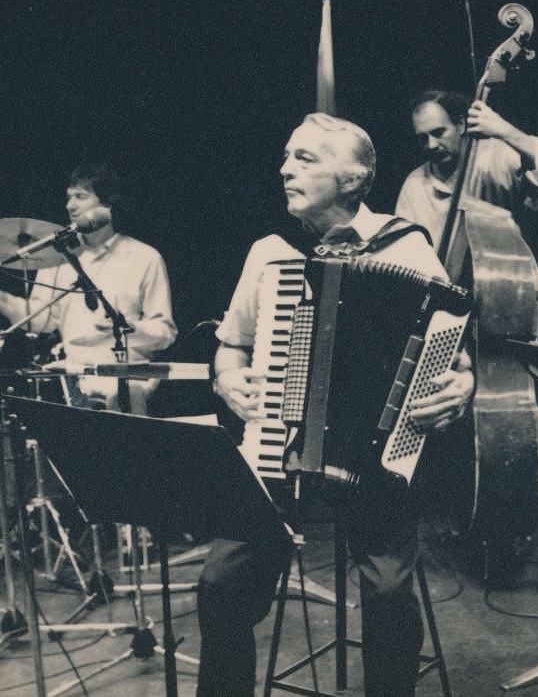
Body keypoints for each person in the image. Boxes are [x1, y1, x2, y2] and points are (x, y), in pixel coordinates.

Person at [198, 112, 474, 697]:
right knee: (220, 583)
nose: (284, 169)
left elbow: (455, 356)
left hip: (373, 464)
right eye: (286, 156)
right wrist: (227, 380)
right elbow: (231, 346)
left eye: (305, 158)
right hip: (278, 454)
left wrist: (460, 390)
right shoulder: (268, 253)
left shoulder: (407, 248)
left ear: (353, 179)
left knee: (388, 592)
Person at [0, 163, 177, 414]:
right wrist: (4, 301)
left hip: (129, 378)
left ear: (107, 205)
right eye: (68, 197)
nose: (70, 206)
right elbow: (41, 321)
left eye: (81, 197)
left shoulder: (144, 257)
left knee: (121, 402)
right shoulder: (58, 256)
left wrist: (127, 327)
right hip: (74, 377)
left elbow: (165, 332)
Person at [395, 89, 538, 253]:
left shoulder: (496, 156)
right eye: (423, 138)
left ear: (461, 125)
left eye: (439, 132)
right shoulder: (414, 184)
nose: (431, 145)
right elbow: (405, 250)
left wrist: (505, 131)